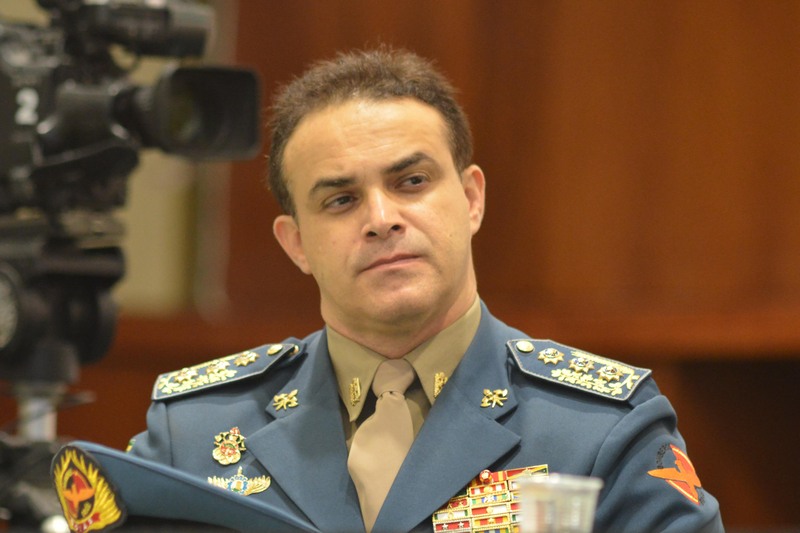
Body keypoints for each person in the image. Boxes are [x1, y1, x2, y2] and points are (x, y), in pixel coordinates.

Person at [91, 47, 723, 532]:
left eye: (412, 182)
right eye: (341, 199)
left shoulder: (599, 431)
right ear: (296, 243)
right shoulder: (195, 431)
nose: (381, 218)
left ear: (471, 198)